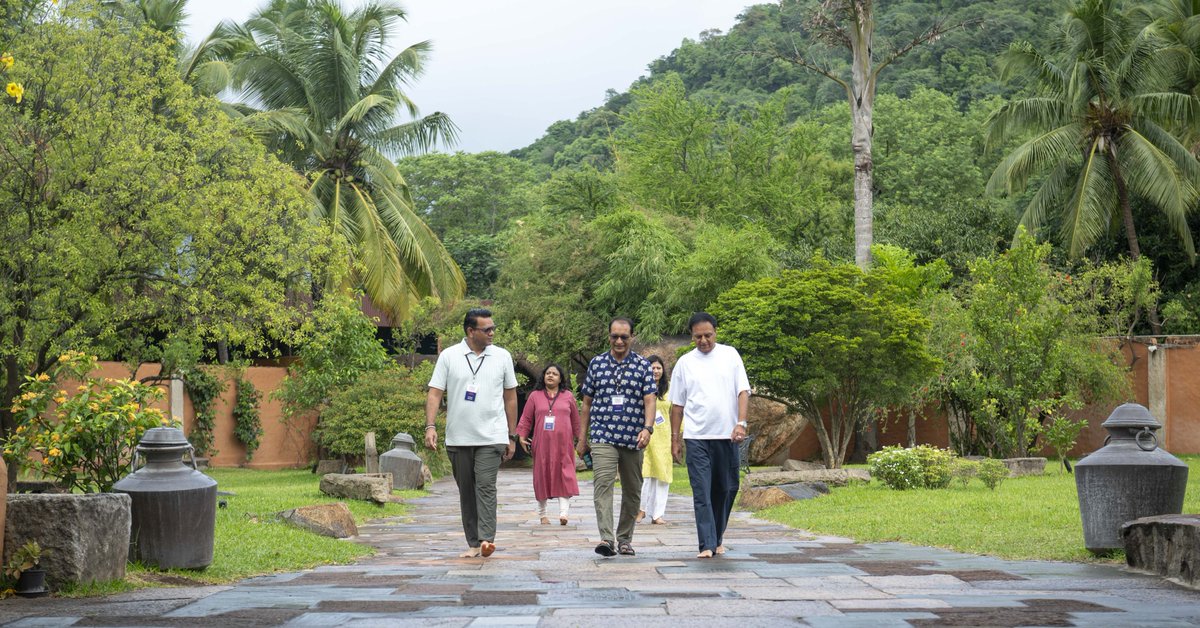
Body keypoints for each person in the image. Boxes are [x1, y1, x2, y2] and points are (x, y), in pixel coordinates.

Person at [425, 308, 518, 558]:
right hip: (458, 437)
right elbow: (435, 393)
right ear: (470, 331)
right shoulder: (449, 356)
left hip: (492, 436)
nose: (492, 333)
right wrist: (430, 426)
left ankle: (487, 539)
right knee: (466, 490)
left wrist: (512, 435)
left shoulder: (502, 356)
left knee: (486, 486)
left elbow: (510, 397)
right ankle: (474, 543)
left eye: (493, 328)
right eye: (487, 329)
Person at [670, 311, 750, 559]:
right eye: (697, 337)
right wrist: (675, 439)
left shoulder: (730, 355)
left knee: (727, 488)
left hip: (727, 436)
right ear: (691, 337)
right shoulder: (685, 363)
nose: (703, 340)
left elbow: (743, 391)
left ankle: (717, 537)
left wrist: (741, 423)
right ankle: (706, 544)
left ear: (716, 332)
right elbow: (677, 405)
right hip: (697, 437)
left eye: (708, 335)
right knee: (702, 491)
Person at [578, 317, 657, 557]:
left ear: (632, 337)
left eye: (624, 336)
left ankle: (624, 538)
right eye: (615, 336)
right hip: (603, 434)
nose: (619, 340)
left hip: (634, 436)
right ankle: (606, 538)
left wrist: (648, 428)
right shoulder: (597, 363)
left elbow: (650, 399)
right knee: (603, 484)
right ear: (609, 336)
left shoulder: (643, 365)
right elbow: (587, 402)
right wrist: (582, 438)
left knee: (633, 490)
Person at [515, 364, 581, 526]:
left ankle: (564, 513)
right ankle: (543, 515)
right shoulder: (535, 396)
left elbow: (576, 421)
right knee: (541, 477)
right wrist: (522, 436)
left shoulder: (568, 396)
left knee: (565, 475)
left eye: (555, 374)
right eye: (548, 373)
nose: (550, 376)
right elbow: (526, 419)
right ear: (543, 376)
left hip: (563, 445)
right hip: (542, 445)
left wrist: (581, 440)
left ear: (560, 379)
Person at [637, 355, 673, 525]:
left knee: (662, 476)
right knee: (644, 475)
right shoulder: (640, 387)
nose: (656, 371)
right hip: (644, 435)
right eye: (652, 368)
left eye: (658, 368)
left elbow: (676, 412)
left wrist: (677, 436)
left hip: (664, 438)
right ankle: (641, 509)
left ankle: (658, 514)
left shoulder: (669, 390)